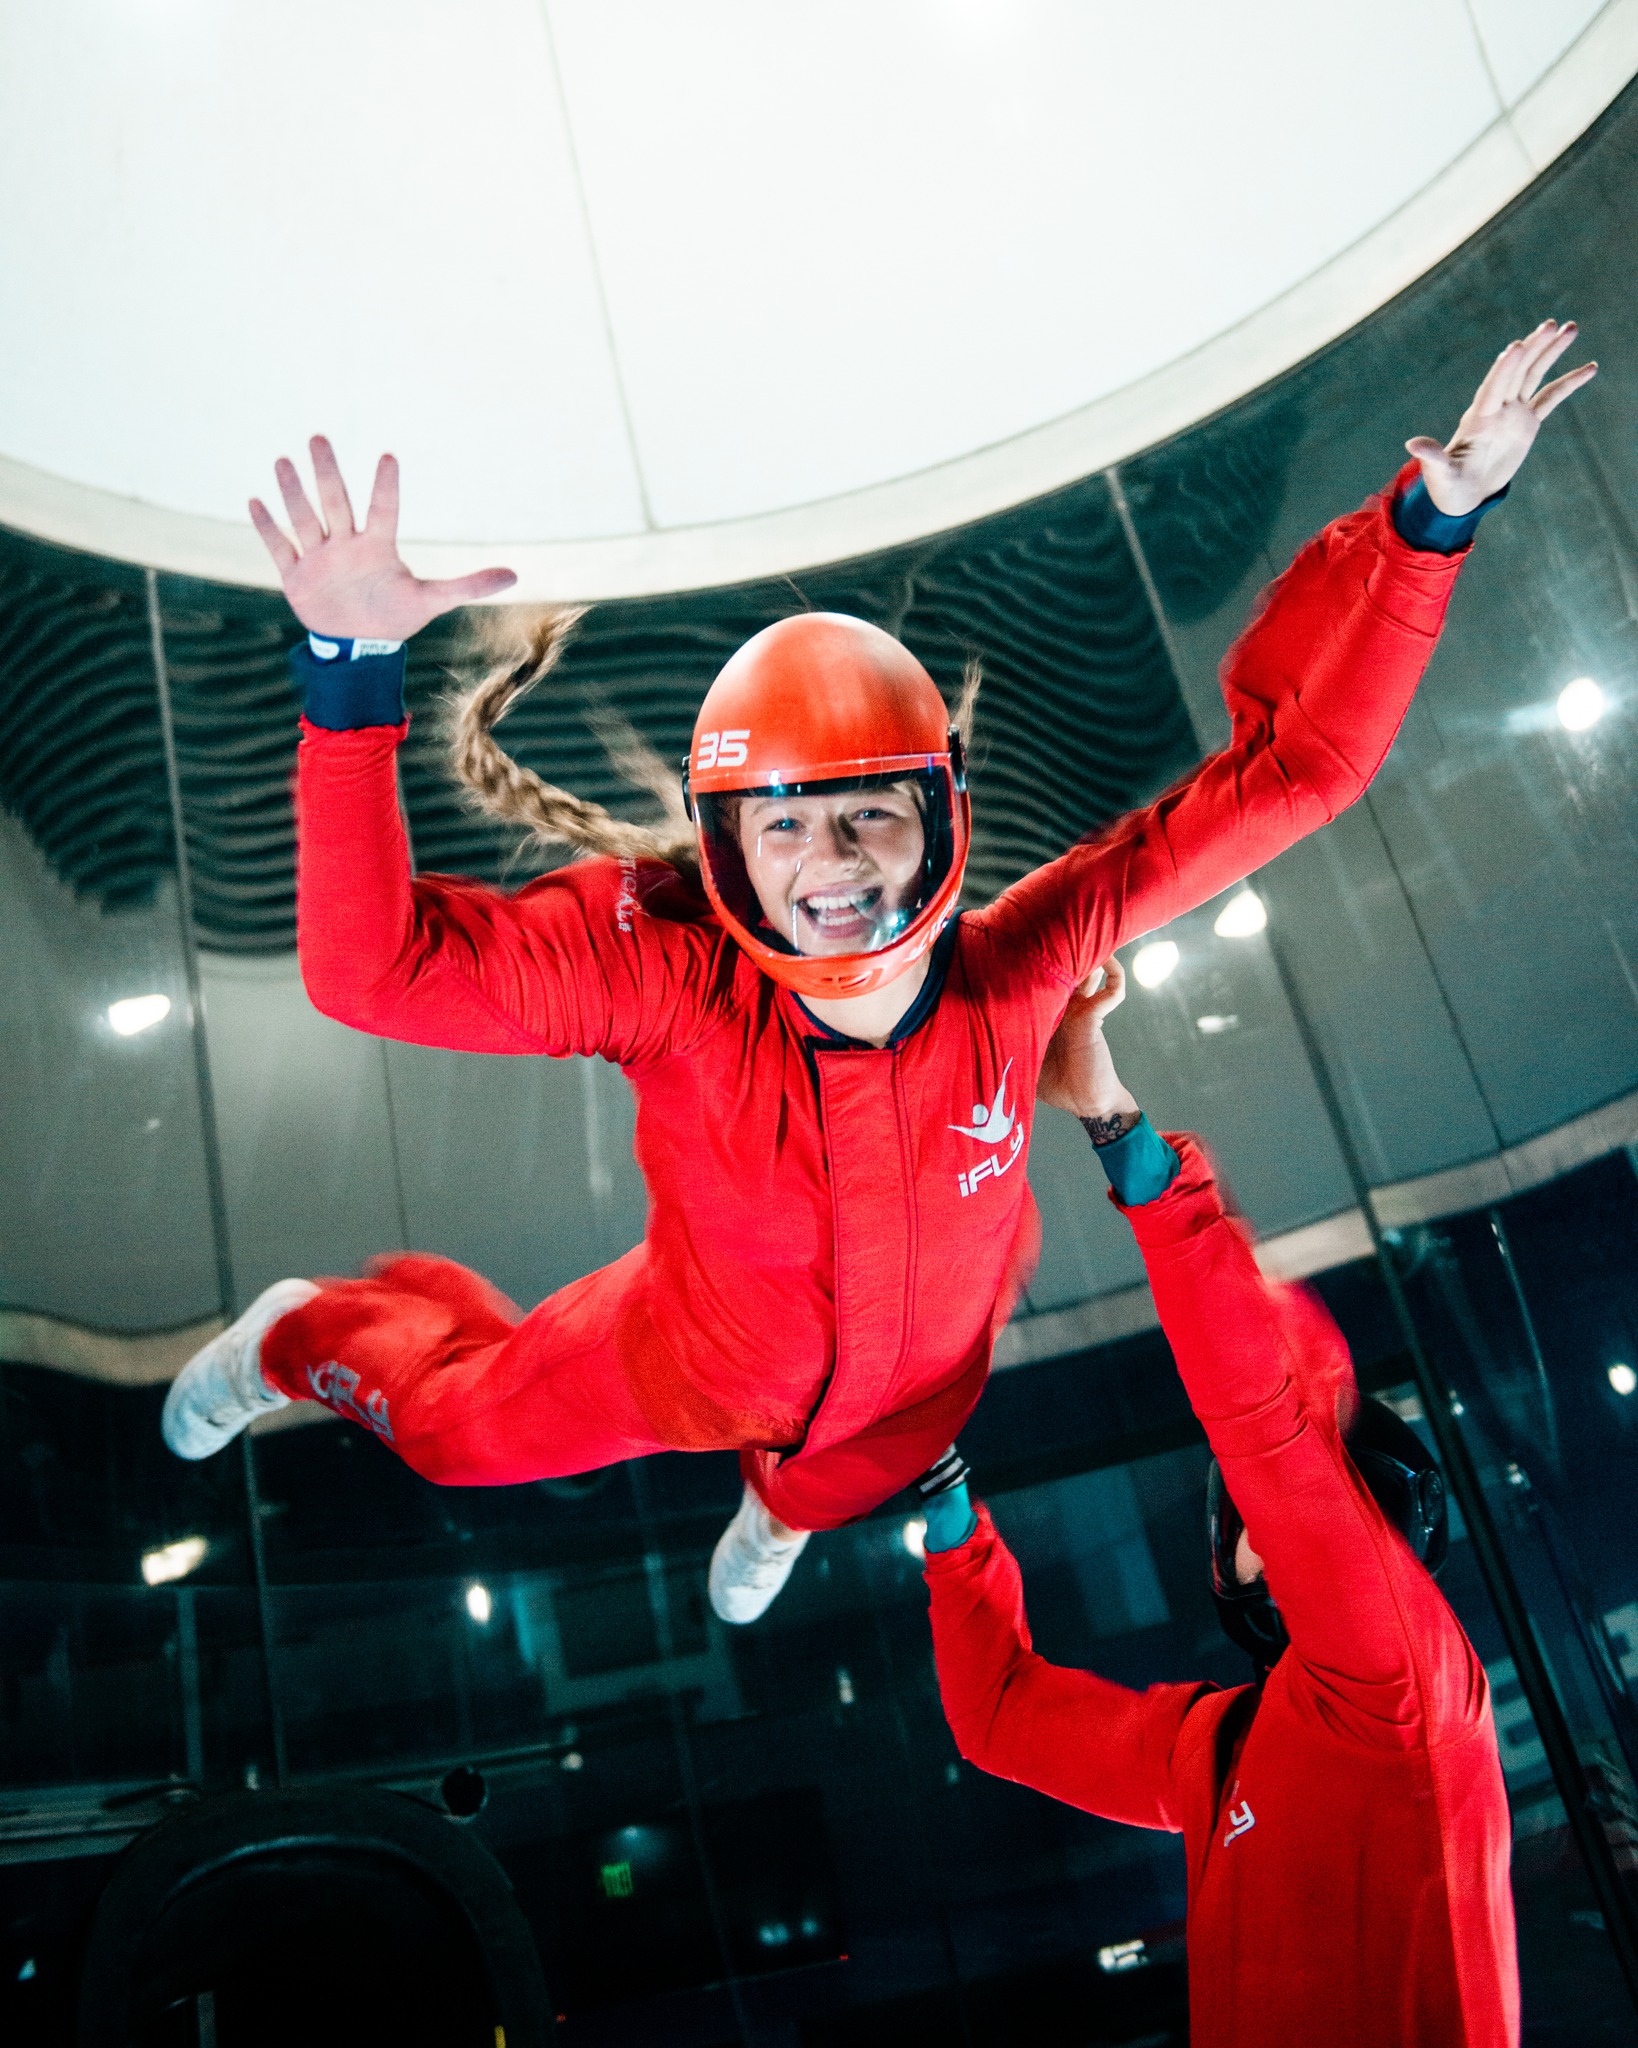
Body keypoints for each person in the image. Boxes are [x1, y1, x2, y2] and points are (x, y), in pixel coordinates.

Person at [163, 324, 1593, 1629]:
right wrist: (349, 674)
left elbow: (1294, 773)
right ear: (728, 839)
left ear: (938, 817)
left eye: (869, 812)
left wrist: (1429, 521)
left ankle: (777, 1508)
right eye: (784, 821)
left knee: (830, 1484)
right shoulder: (665, 979)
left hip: (914, 1388)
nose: (830, 858)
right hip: (682, 1352)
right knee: (451, 1440)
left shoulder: (1024, 958)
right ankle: (293, 1333)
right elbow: (373, 975)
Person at [921, 958, 1516, 2047]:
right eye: (1249, 1515)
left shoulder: (1404, 1681)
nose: (1278, 1517)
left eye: (1297, 1500)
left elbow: (1269, 1408)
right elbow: (999, 1717)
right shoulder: (1218, 1746)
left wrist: (1114, 1120)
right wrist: (944, 1501)